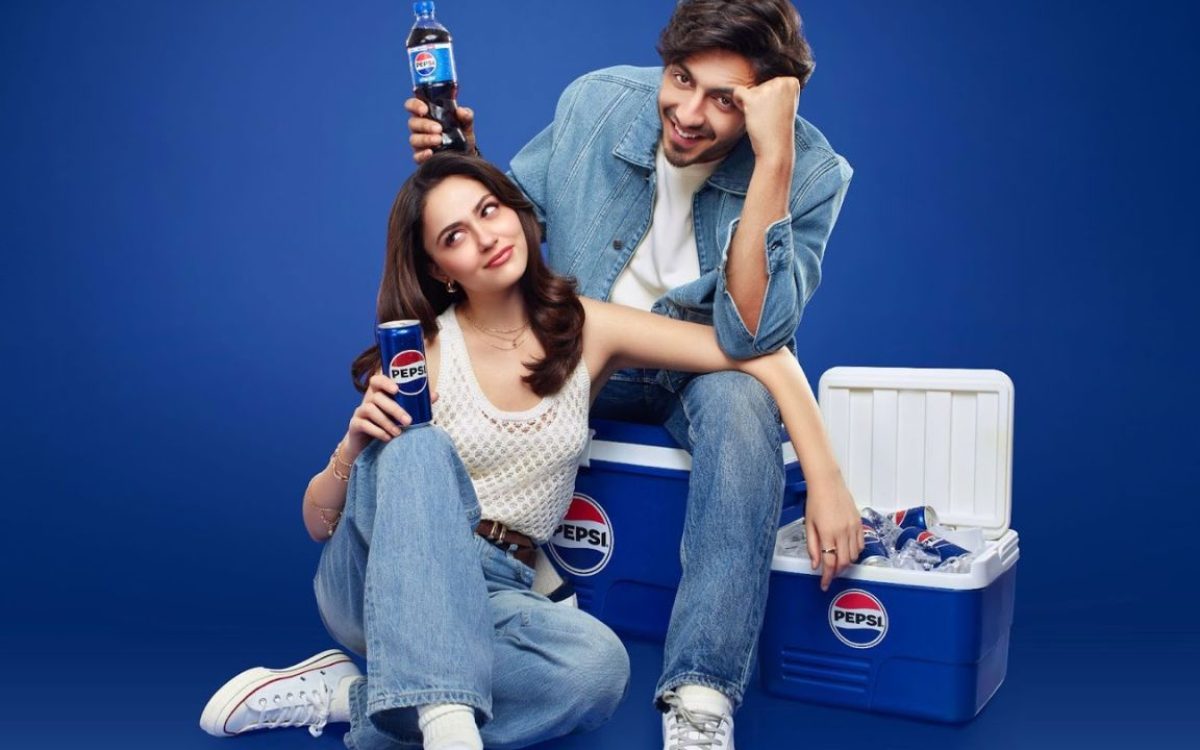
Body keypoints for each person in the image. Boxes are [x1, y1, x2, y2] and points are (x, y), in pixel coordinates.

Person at [199, 153, 861, 750]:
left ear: (517, 212)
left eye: (490, 210)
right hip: (377, 578)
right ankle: (449, 731)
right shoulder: (420, 352)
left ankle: (357, 699)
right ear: (439, 269)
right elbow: (319, 524)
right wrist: (352, 443)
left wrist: (826, 481)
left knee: (598, 671)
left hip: (499, 586)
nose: (486, 236)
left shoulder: (586, 327)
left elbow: (757, 354)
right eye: (455, 236)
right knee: (419, 450)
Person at [405, 1, 852, 746]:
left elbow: (752, 338)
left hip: (696, 369)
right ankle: (483, 589)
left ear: (769, 100)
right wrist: (465, 160)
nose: (689, 114)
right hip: (585, 350)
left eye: (725, 100)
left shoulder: (812, 173)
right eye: (681, 78)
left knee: (740, 395)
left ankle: (701, 695)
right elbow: (514, 232)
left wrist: (773, 159)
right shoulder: (597, 102)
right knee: (480, 346)